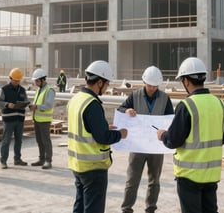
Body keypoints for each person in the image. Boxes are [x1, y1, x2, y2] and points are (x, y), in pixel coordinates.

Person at [157, 57, 224, 213]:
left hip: (189, 176)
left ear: (186, 81)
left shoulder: (187, 105)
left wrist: (163, 135)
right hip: (211, 174)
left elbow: (173, 141)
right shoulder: (220, 103)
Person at [67, 60, 128, 213]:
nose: (107, 88)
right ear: (99, 82)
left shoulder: (75, 99)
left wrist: (102, 127)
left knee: (80, 206)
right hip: (93, 167)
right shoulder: (92, 103)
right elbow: (103, 137)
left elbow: (84, 127)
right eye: (107, 84)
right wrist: (120, 134)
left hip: (77, 164)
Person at [118, 66, 174, 213]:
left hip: (156, 147)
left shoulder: (164, 98)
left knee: (154, 181)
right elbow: (120, 110)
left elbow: (170, 119)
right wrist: (126, 110)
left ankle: (151, 208)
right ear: (144, 82)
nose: (152, 89)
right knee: (132, 180)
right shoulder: (134, 96)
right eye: (149, 85)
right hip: (137, 146)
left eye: (155, 86)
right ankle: (126, 208)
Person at [0, 68, 29, 169]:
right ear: (10, 79)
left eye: (18, 80)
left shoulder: (22, 90)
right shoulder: (4, 89)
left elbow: (26, 101)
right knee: (6, 141)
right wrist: (7, 104)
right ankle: (3, 161)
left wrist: (26, 105)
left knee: (19, 140)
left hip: (19, 119)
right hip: (9, 120)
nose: (16, 82)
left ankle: (17, 159)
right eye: (15, 80)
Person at [29, 68, 55, 169]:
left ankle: (48, 160)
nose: (35, 82)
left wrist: (37, 107)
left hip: (44, 121)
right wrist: (33, 106)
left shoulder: (50, 90)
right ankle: (41, 159)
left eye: (37, 80)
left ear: (42, 80)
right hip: (37, 119)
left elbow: (48, 105)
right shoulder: (39, 90)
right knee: (39, 140)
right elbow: (38, 103)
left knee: (46, 141)